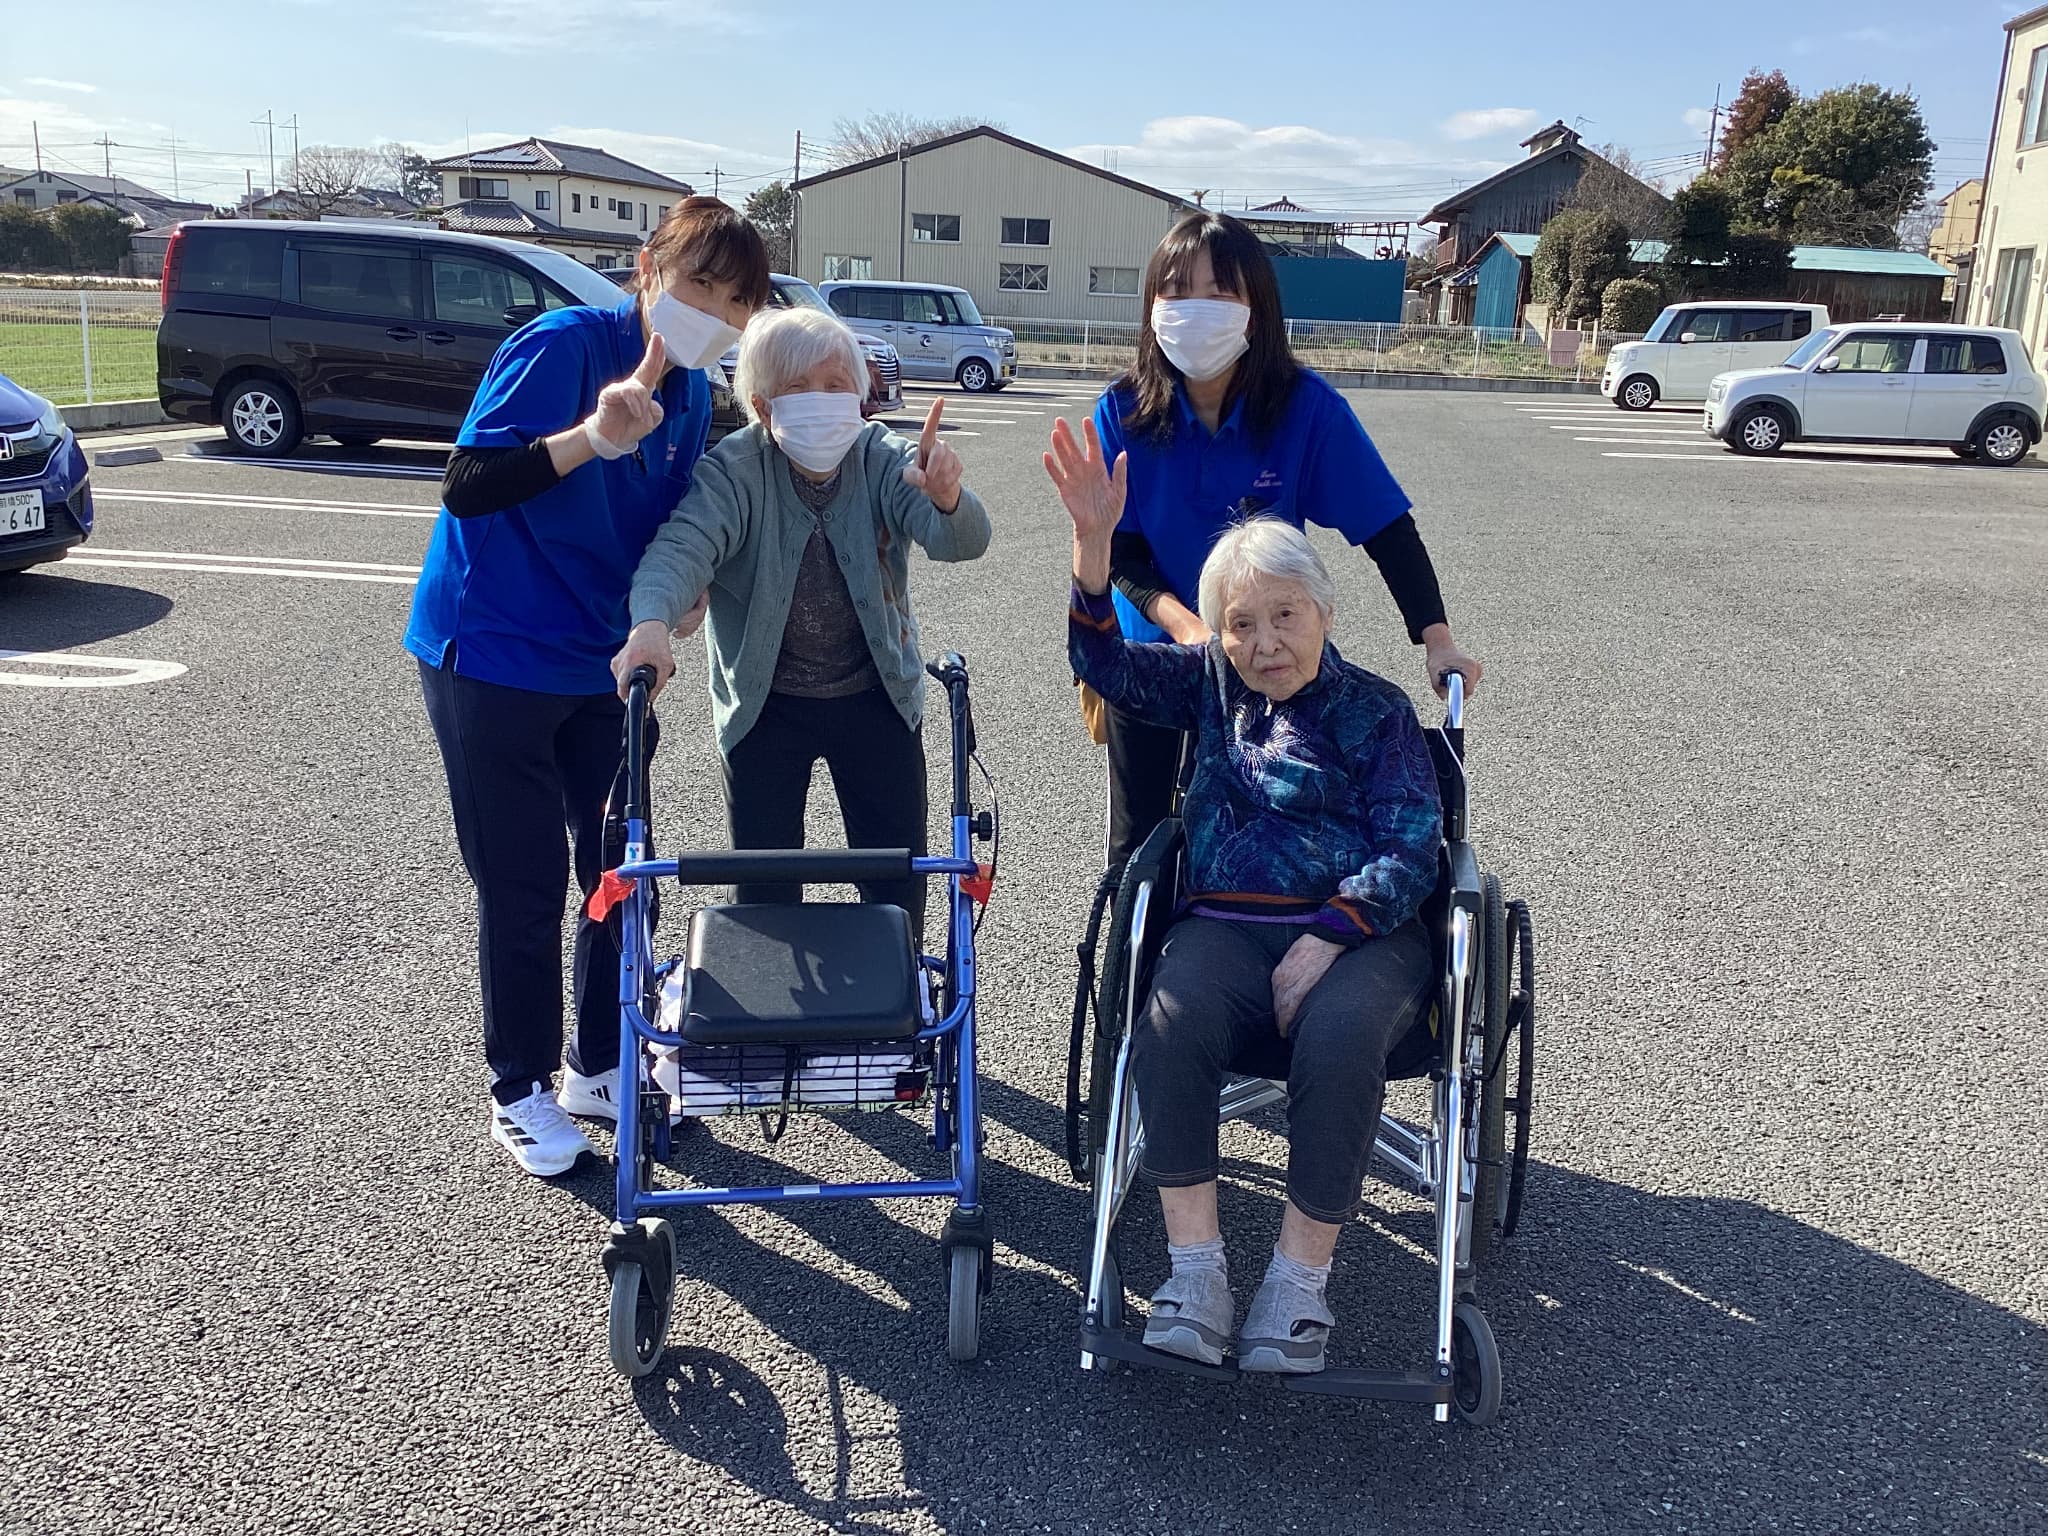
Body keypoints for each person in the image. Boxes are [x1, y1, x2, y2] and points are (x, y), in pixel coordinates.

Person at [1053, 452, 1442, 1374]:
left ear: (1324, 612)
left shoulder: (1378, 713)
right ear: (1219, 636)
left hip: (1363, 936)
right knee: (1169, 1019)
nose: (1265, 642)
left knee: (1341, 1037)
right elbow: (1100, 662)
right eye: (1240, 624)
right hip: (1225, 926)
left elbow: (1413, 847)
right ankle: (1197, 1275)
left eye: (1284, 616)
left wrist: (1330, 935)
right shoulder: (1209, 686)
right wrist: (1093, 553)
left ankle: (1298, 1285)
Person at [405, 199, 770, 1178]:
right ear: (648, 267)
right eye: (697, 284)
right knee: (521, 882)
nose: (712, 312)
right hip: (492, 654)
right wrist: (588, 439)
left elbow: (669, 525)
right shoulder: (563, 346)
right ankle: (517, 1088)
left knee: (616, 867)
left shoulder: (690, 394)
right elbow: (468, 484)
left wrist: (681, 593)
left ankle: (598, 1065)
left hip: (602, 666)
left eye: (735, 301)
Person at [1046, 210, 1481, 869]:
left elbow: (1386, 528)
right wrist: (1190, 629)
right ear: (1153, 307)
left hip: (1267, 652)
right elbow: (1124, 551)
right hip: (1158, 651)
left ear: (1256, 310)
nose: (1196, 308)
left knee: (1276, 829)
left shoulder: (1304, 408)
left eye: (1219, 291)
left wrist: (1438, 640)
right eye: (1177, 291)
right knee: (1138, 849)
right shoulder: (1123, 410)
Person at [611, 305, 991, 939]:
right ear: (764, 407)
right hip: (765, 703)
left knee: (896, 886)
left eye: (836, 384)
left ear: (859, 395)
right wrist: (650, 623)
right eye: (798, 386)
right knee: (764, 892)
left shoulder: (883, 458)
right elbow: (681, 550)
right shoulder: (734, 471)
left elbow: (962, 541)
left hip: (876, 694)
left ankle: (896, 998)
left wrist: (949, 498)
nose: (821, 399)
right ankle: (773, 1001)